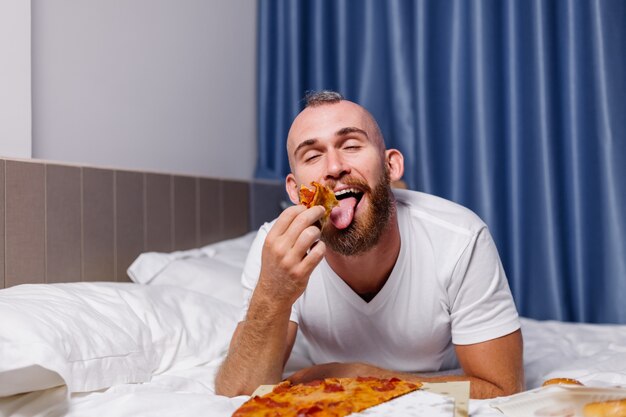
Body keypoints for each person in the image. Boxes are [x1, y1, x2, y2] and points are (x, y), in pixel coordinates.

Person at [215, 91, 524, 399]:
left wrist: (363, 377)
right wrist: (273, 292)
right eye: (312, 156)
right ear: (295, 191)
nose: (334, 167)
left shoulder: (460, 237)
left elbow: (503, 389)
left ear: (392, 164)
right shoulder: (278, 248)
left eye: (351, 146)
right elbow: (238, 392)